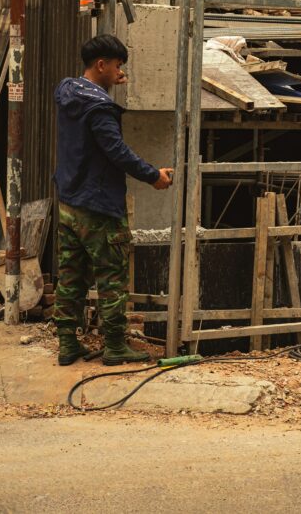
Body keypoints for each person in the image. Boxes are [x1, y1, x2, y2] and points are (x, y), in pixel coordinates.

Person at [53, 34, 173, 366]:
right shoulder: (100, 108)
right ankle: (116, 346)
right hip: (99, 206)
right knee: (112, 279)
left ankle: (67, 344)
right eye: (117, 66)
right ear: (101, 64)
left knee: (71, 276)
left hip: (69, 201)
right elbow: (116, 151)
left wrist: (107, 85)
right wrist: (153, 175)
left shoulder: (68, 91)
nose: (121, 72)